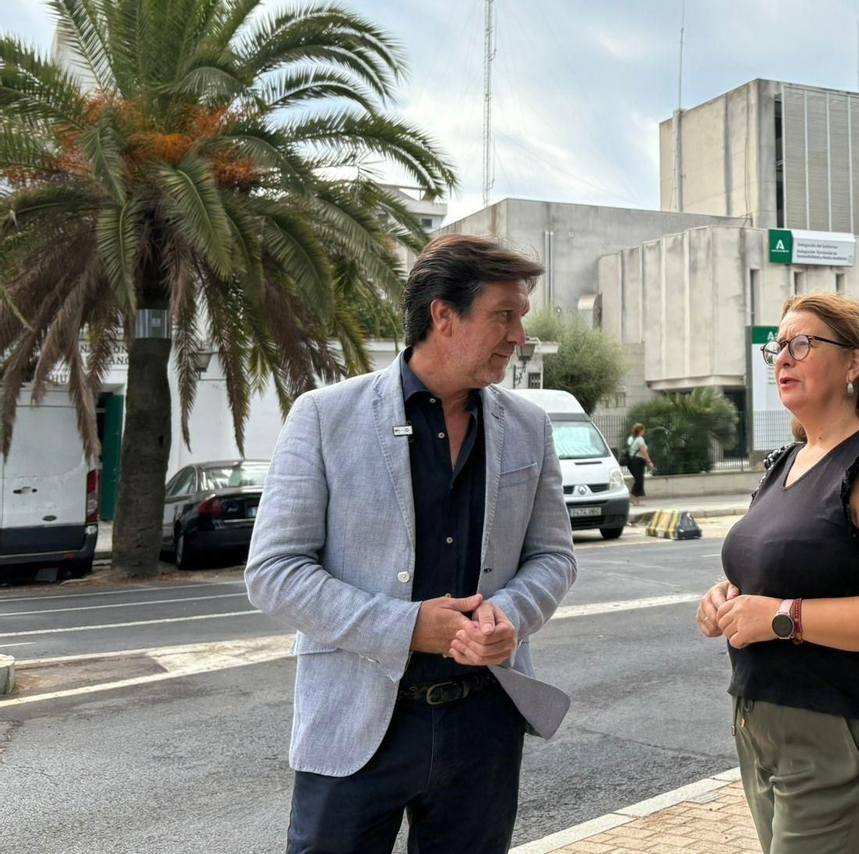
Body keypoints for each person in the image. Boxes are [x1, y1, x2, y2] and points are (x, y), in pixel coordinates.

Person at [246, 233, 579, 854]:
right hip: (355, 722)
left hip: (484, 720)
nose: (518, 336)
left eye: (520, 319)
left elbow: (553, 555)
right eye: (503, 316)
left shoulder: (529, 425)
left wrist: (507, 617)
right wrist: (407, 628)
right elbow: (274, 570)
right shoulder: (323, 416)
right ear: (443, 316)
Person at [697, 292, 859, 854]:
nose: (784, 358)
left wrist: (780, 618)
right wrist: (724, 599)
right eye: (778, 346)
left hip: (846, 728)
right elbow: (779, 569)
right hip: (763, 724)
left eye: (803, 344)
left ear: (852, 363)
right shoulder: (786, 461)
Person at [623, 422, 654, 498]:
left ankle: (636, 500)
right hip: (637, 461)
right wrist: (649, 462)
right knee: (639, 480)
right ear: (640, 431)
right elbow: (643, 451)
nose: (644, 432)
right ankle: (632, 496)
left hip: (630, 461)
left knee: (638, 480)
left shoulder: (630, 438)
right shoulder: (640, 439)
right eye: (643, 430)